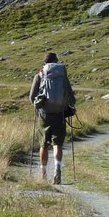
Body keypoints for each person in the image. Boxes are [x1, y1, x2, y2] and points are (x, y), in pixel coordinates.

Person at [30, 53, 76, 184]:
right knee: (58, 144)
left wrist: (38, 107)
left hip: (44, 115)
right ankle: (57, 168)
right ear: (56, 62)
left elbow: (31, 97)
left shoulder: (39, 75)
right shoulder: (61, 75)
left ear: (44, 63)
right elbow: (70, 94)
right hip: (60, 114)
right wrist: (69, 105)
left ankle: (43, 174)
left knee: (43, 145)